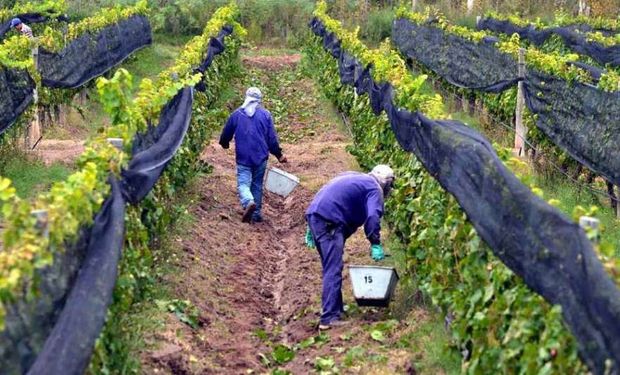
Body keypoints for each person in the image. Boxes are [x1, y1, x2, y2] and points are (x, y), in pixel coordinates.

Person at [305, 165, 395, 330]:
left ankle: (336, 309)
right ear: (385, 182)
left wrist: (311, 226)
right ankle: (329, 318)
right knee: (333, 268)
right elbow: (373, 216)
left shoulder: (354, 176)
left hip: (316, 215)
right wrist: (375, 243)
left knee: (330, 266)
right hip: (330, 222)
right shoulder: (374, 188)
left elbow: (326, 192)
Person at [219, 87, 287, 223]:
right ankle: (255, 214)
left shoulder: (237, 114)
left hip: (243, 156)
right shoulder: (265, 115)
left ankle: (248, 201)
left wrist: (225, 143)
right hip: (260, 157)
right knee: (256, 184)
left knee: (243, 183)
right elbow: (271, 138)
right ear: (259, 101)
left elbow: (226, 133)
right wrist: (279, 155)